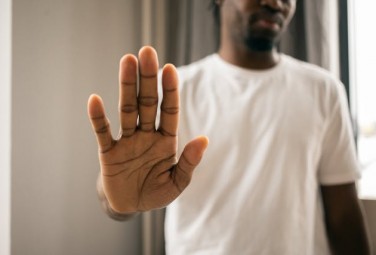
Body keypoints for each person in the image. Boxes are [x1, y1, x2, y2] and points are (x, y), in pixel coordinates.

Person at [88, 0, 371, 254]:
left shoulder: (323, 90)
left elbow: (343, 217)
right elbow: (117, 194)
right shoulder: (174, 91)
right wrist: (118, 200)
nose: (276, 3)